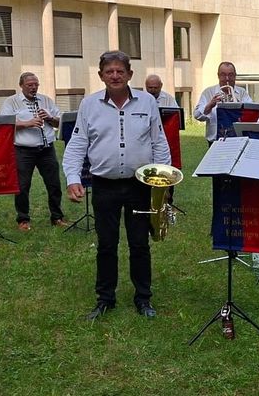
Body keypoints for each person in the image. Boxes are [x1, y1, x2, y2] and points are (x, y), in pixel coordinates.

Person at [63, 51, 170, 320]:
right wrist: (73, 178)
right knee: (107, 245)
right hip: (104, 186)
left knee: (139, 244)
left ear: (130, 75)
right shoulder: (89, 105)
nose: (115, 75)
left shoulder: (147, 102)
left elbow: (159, 143)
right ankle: (105, 298)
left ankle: (143, 299)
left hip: (139, 186)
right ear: (101, 76)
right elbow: (78, 144)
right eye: (109, 71)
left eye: (120, 71)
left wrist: (164, 182)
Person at [0, 72, 66, 231]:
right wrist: (27, 123)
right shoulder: (11, 102)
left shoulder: (46, 100)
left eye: (36, 84)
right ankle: (23, 219)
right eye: (30, 85)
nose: (34, 87)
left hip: (46, 149)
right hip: (23, 150)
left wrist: (49, 118)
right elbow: (4, 125)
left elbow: (59, 122)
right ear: (21, 85)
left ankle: (57, 217)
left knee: (54, 184)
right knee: (22, 186)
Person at [194, 62, 251, 144]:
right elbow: (197, 115)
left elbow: (250, 112)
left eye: (230, 75)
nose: (227, 78)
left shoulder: (242, 93)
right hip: (215, 141)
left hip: (237, 140)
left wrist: (238, 106)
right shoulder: (208, 92)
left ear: (235, 75)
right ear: (218, 76)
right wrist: (210, 105)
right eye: (223, 75)